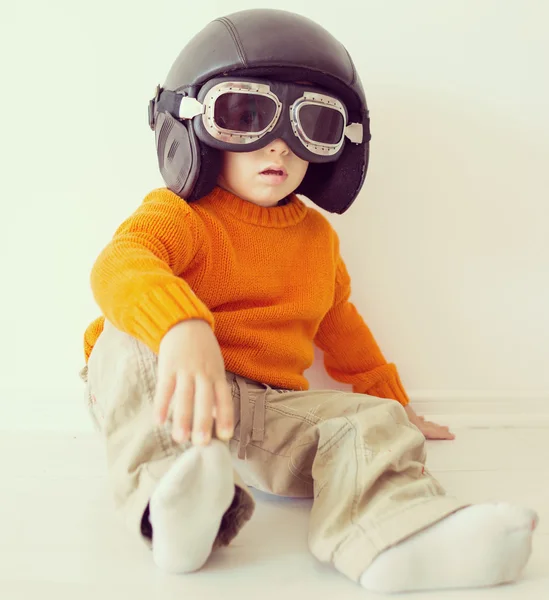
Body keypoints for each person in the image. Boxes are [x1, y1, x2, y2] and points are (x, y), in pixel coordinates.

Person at [80, 8, 537, 593]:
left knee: (371, 423)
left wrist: (392, 402)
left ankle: (394, 537)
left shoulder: (317, 240)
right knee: (125, 338)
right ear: (193, 125)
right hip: (168, 392)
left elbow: (339, 322)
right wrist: (180, 328)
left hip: (267, 410)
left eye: (312, 127)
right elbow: (120, 263)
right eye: (245, 114)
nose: (279, 145)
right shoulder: (178, 216)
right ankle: (175, 504)